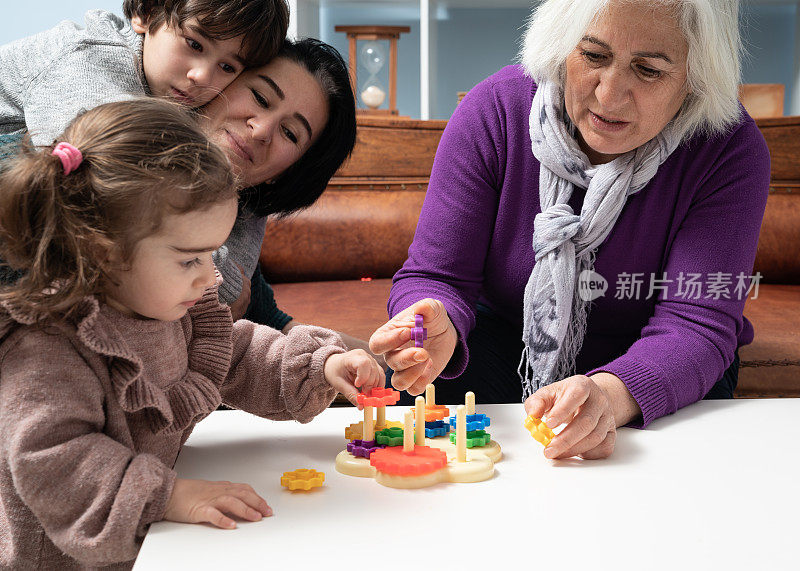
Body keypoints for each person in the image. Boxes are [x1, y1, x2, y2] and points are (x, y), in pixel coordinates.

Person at [369, 0, 770, 459]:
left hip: (664, 361)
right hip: (509, 342)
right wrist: (430, 321)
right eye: (594, 57)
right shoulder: (495, 110)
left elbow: (697, 324)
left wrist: (612, 394)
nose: (609, 94)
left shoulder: (728, 149)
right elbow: (436, 277)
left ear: (695, 78)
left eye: (649, 70)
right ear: (561, 47)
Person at [0, 98, 383, 569]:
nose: (210, 276)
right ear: (103, 251)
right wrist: (169, 496)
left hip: (156, 546)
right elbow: (56, 460)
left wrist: (319, 365)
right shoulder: (46, 350)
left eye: (212, 254)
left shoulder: (171, 311)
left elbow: (237, 355)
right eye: (190, 259)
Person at [204, 38, 384, 365]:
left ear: (286, 172)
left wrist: (380, 362)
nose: (261, 130)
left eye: (290, 133)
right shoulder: (121, 131)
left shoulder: (242, 218)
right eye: (260, 97)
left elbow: (272, 321)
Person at [0, 0, 289, 145]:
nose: (202, 77)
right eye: (194, 44)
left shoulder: (173, 94)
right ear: (147, 13)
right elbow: (94, 165)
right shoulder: (88, 59)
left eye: (227, 67)